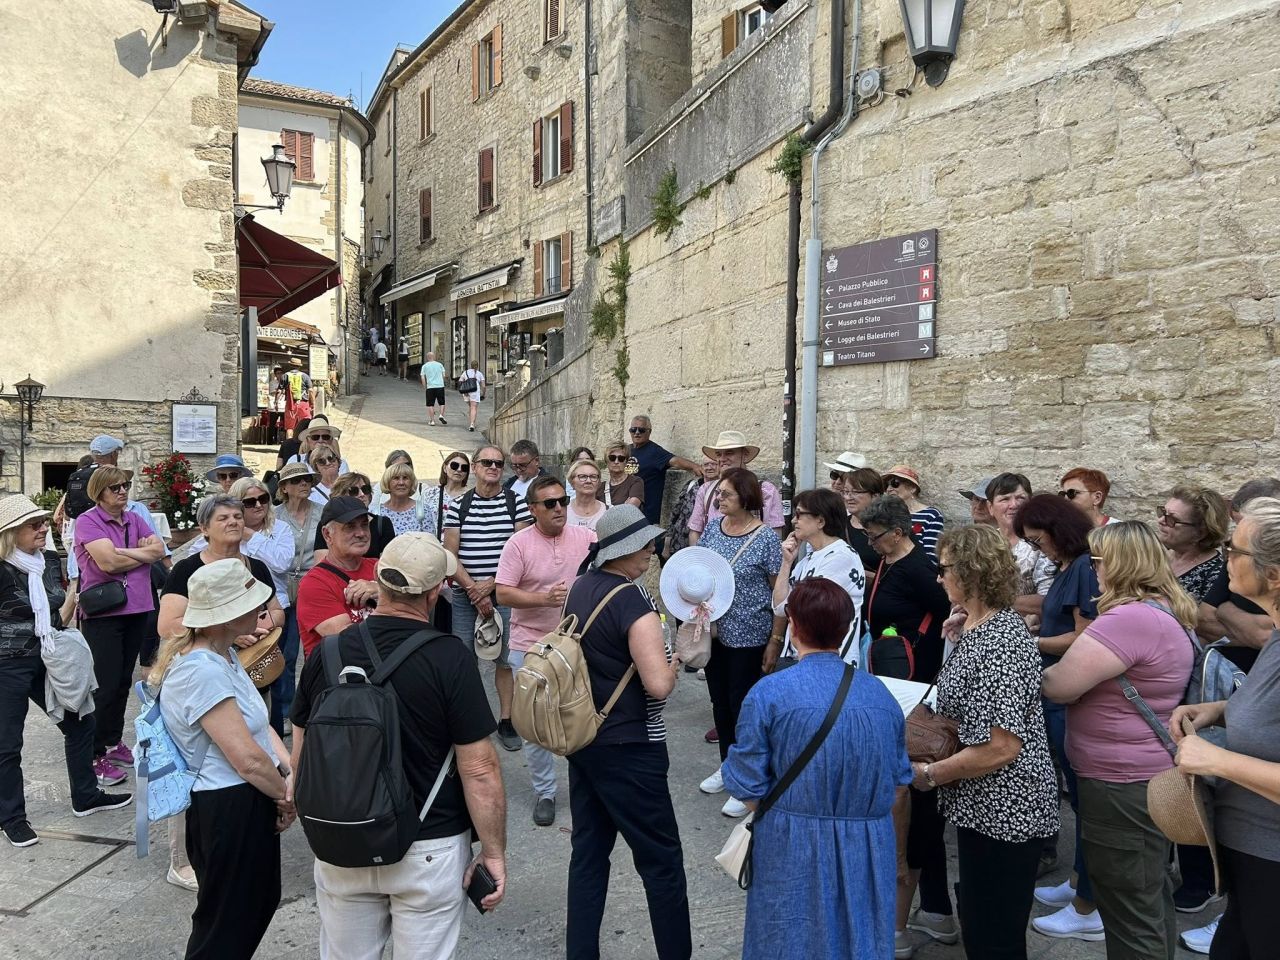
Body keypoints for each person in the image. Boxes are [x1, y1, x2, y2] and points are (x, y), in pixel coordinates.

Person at [291, 533, 507, 955]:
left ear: (380, 581)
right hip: (427, 844)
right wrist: (494, 852)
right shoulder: (450, 658)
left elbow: (301, 752)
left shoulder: (329, 653)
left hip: (342, 838)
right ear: (434, 592)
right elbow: (480, 770)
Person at [723, 578, 911, 960]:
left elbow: (746, 785)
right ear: (845, 630)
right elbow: (898, 786)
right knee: (857, 939)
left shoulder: (768, 693)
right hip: (867, 842)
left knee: (787, 941)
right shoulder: (881, 695)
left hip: (791, 841)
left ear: (793, 625)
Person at [1042, 521, 1196, 960]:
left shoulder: (1130, 618)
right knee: (1148, 895)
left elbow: (1060, 685)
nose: (1094, 570)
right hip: (1142, 774)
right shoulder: (1163, 608)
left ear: (1121, 563)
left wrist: (1024, 665)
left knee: (1128, 905)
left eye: (1099, 561)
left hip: (1120, 782)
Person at [919, 525, 1059, 960]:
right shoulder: (982, 626)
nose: (938, 578)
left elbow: (1001, 746)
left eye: (943, 569)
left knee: (994, 933)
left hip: (1007, 808)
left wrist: (929, 774)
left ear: (970, 572)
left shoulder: (1000, 641)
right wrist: (963, 630)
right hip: (985, 806)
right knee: (981, 920)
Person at [561, 504, 689, 960]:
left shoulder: (580, 587)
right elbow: (658, 685)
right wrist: (678, 659)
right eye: (648, 544)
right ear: (627, 549)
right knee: (662, 864)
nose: (652, 552)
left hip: (585, 739)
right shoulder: (632, 600)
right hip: (631, 746)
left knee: (589, 857)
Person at [150, 560, 293, 959]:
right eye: (253, 606)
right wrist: (285, 794)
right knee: (227, 925)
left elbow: (259, 725)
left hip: (242, 799)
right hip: (227, 805)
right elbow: (245, 758)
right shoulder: (202, 670)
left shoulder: (224, 656)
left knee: (251, 906)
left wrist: (289, 768)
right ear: (226, 616)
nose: (263, 614)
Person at [1171, 496, 1280, 960]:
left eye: (1232, 552)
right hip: (1251, 861)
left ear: (1272, 575)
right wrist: (1220, 709)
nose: (1224, 560)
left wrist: (1218, 760)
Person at [0, 496, 131, 848]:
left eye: (43, 521)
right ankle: (11, 818)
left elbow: (55, 608)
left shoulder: (45, 560)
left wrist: (72, 595)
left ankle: (85, 797)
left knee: (80, 721)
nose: (44, 528)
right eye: (35, 524)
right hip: (7, 664)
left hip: (47, 655)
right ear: (11, 533)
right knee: (7, 744)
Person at [858, 494, 954, 951]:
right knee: (916, 808)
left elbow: (951, 612)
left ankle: (924, 908)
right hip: (897, 685)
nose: (870, 543)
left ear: (897, 533)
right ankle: (935, 908)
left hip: (915, 692)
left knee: (917, 805)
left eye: (875, 536)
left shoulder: (918, 570)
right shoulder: (895, 564)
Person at [1015, 492, 1103, 939]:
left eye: (1037, 540)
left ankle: (1090, 901)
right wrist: (1038, 628)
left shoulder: (1085, 567)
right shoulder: (1069, 567)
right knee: (1075, 791)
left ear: (1058, 530)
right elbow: (1058, 624)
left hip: (1068, 694)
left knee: (1085, 799)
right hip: (1053, 688)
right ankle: (1076, 883)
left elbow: (1083, 637)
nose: (1036, 549)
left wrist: (1033, 643)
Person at [495, 476, 596, 826]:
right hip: (531, 646)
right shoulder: (518, 544)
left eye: (563, 502)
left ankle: (587, 789)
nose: (558, 509)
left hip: (576, 643)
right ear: (532, 509)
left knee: (580, 718)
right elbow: (502, 593)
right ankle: (545, 792)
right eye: (550, 504)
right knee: (536, 727)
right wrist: (543, 598)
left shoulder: (586, 538)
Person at [694, 468, 783, 818]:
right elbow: (700, 569)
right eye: (719, 494)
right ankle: (728, 766)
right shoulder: (714, 529)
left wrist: (776, 639)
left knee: (744, 706)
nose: (719, 499)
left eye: (726, 494)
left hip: (750, 636)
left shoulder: (766, 539)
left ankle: (748, 779)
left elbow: (779, 592)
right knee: (720, 703)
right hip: (715, 632)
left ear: (745, 497)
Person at [74, 465, 166, 786]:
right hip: (104, 614)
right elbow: (107, 563)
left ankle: (112, 742)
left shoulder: (135, 517)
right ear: (99, 492)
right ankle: (95, 752)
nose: (123, 491)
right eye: (115, 487)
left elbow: (158, 550)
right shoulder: (88, 522)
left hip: (137, 608)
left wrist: (126, 551)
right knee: (106, 684)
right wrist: (140, 554)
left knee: (123, 681)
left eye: (126, 485)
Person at [443, 445, 532, 752]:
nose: (493, 467)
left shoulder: (517, 504)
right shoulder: (458, 506)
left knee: (505, 660)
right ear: (476, 467)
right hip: (465, 596)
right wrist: (473, 590)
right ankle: (471, 720)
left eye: (498, 463)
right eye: (487, 462)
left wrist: (491, 587)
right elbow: (449, 556)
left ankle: (506, 720)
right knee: (464, 661)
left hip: (505, 594)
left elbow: (522, 554)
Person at [771, 488, 866, 667]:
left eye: (799, 514)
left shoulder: (841, 556)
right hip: (800, 657)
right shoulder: (808, 558)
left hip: (828, 662)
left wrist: (788, 604)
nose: (793, 521)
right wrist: (786, 563)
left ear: (820, 521)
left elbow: (807, 609)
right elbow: (779, 607)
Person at [296, 497, 380, 658]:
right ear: (327, 534)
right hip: (340, 678)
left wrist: (381, 589)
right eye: (350, 527)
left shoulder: (380, 567)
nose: (361, 533)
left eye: (364, 525)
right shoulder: (314, 584)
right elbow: (349, 642)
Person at [688, 431, 784, 543]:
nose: (722, 459)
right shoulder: (706, 490)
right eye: (719, 454)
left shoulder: (765, 490)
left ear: (745, 455)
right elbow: (695, 531)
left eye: (729, 453)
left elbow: (774, 537)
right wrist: (699, 559)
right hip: (711, 559)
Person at [988, 472, 1056, 627]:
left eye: (1020, 498)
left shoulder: (1040, 543)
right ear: (990, 508)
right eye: (1005, 499)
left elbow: (1049, 600)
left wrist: (989, 601)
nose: (1014, 505)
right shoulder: (983, 543)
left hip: (1029, 633)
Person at [1157, 484, 1227, 603]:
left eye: (1172, 519)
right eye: (1162, 513)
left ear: (1201, 532)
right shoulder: (1158, 555)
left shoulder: (1215, 574)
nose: (1160, 521)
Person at [626, 414, 699, 525]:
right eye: (633, 429)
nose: (636, 433)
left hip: (646, 512)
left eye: (641, 430)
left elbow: (675, 460)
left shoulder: (654, 451)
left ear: (649, 432)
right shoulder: (627, 450)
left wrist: (695, 467)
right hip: (626, 508)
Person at [316, 473, 395, 561]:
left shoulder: (383, 523)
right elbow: (321, 563)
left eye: (365, 489)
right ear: (340, 495)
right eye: (353, 491)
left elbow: (388, 564)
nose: (362, 494)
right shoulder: (329, 524)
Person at [826, 458, 884, 573]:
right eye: (846, 492)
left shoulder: (889, 528)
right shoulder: (836, 526)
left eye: (856, 492)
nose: (848, 497)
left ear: (875, 496)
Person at [881, 464, 945, 564]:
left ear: (912, 488)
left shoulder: (931, 515)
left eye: (895, 483)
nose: (889, 489)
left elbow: (932, 556)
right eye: (886, 485)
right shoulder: (885, 514)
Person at [664, 456, 718, 560]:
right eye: (706, 464)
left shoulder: (721, 490)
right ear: (701, 467)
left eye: (713, 464)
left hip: (702, 546)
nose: (709, 467)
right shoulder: (692, 485)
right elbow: (675, 513)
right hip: (679, 545)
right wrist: (667, 544)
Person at [422, 451, 472, 540]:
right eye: (454, 465)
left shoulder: (471, 497)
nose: (459, 469)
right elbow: (422, 522)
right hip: (433, 545)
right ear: (445, 468)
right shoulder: (430, 493)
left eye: (464, 468)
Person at [379, 462, 431, 537]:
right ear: (387, 482)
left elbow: (431, 544)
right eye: (396, 478)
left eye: (405, 478)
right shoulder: (378, 512)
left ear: (411, 483)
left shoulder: (423, 510)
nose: (401, 482)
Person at [598, 442, 644, 509]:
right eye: (612, 458)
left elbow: (630, 509)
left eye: (621, 458)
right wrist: (622, 508)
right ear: (606, 461)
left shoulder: (635, 482)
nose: (616, 462)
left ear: (626, 462)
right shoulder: (600, 487)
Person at [566, 460, 607, 531]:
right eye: (582, 476)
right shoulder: (563, 511)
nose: (588, 481)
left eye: (593, 477)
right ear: (572, 482)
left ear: (599, 482)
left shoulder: (607, 512)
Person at [420, 350, 448, 424]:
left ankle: (432, 421)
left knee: (430, 404)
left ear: (427, 358)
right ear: (434, 357)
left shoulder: (424, 366)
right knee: (442, 403)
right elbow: (444, 376)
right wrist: (443, 382)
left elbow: (423, 378)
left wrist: (424, 387)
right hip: (440, 386)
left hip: (430, 387)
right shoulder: (440, 365)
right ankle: (441, 415)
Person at [459, 358, 486, 431]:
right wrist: (483, 394)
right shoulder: (479, 374)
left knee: (471, 407)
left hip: (466, 392)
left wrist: (465, 391)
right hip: (475, 391)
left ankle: (471, 421)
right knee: (474, 407)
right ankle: (472, 424)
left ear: (470, 366)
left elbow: (460, 381)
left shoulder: (465, 372)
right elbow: (483, 386)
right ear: (477, 366)